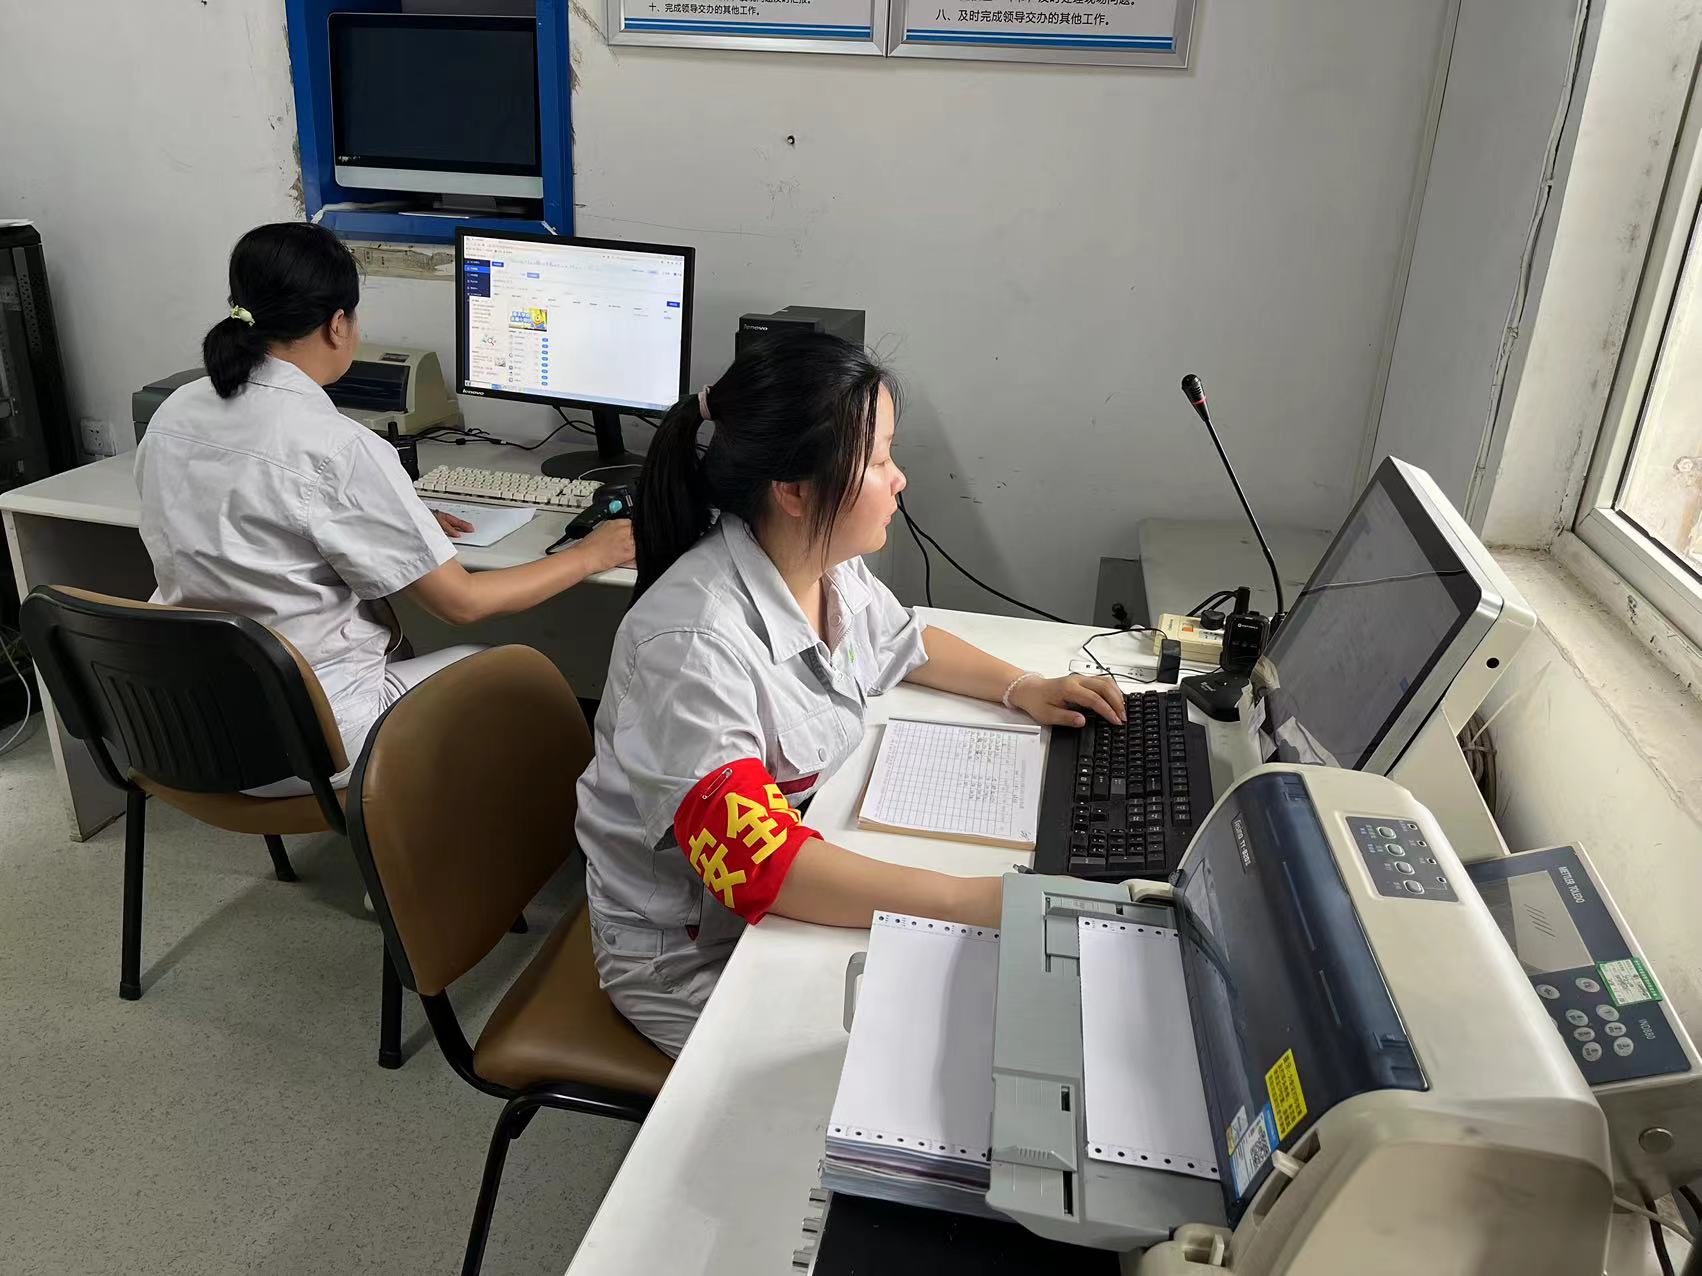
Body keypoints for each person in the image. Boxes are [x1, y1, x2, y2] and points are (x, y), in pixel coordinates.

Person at [575, 333, 1125, 1056]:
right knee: (920, 1060)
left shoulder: (818, 562)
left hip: (789, 890)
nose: (900, 480)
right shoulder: (692, 645)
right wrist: (972, 902)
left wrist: (1025, 686)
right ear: (795, 491)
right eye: (879, 460)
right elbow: (759, 867)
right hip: (694, 954)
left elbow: (904, 642)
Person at [135, 223, 633, 791]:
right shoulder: (338, 447)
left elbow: (252, 522)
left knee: (403, 643)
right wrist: (592, 554)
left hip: (188, 727)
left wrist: (393, 518)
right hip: (308, 741)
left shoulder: (176, 412)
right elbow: (463, 603)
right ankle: (473, 838)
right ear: (337, 324)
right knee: (512, 673)